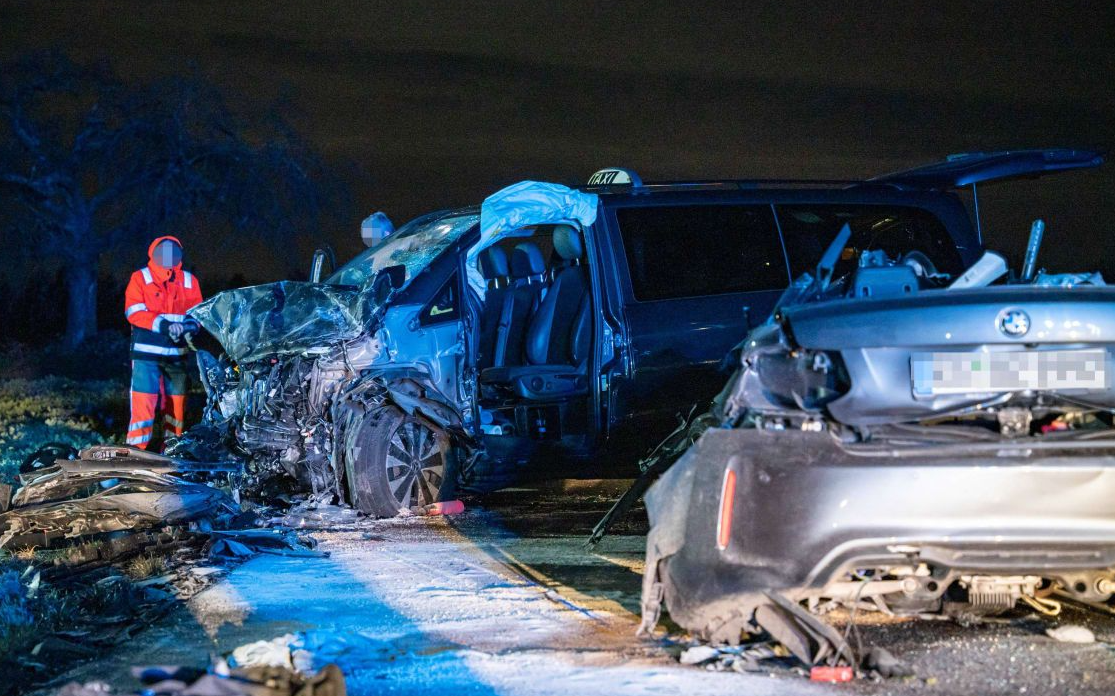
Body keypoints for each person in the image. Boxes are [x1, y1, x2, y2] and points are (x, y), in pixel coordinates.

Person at [123, 236, 203, 450]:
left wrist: (187, 326)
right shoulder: (140, 278)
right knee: (143, 410)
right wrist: (164, 325)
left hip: (177, 357)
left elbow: (198, 314)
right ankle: (135, 456)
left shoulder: (189, 280)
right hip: (146, 357)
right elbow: (134, 312)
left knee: (176, 409)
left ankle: (171, 453)